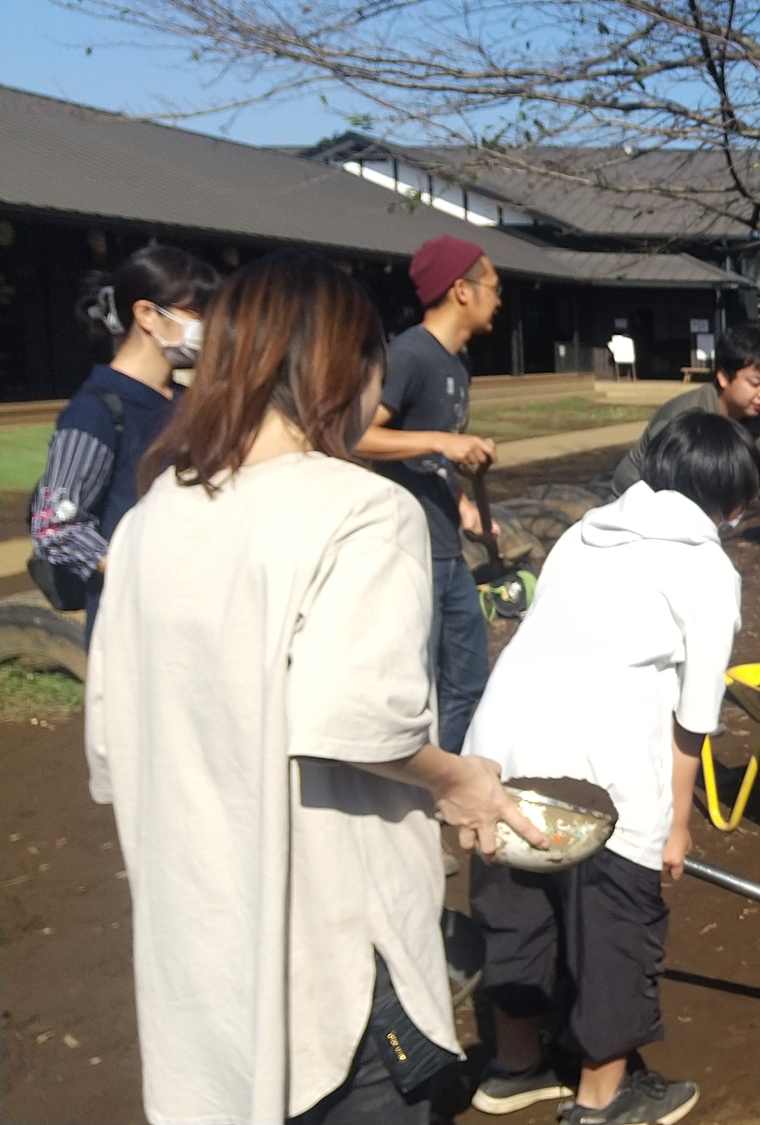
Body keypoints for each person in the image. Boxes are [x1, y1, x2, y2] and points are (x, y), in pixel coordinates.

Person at [85, 250, 542, 1125]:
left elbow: (111, 750)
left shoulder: (149, 521)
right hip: (334, 965)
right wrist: (461, 781)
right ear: (347, 367)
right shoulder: (361, 510)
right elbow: (363, 719)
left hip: (201, 965)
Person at [463, 411, 760, 1125]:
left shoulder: (584, 532)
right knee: (615, 923)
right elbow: (694, 716)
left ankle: (514, 1067)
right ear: (735, 504)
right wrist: (677, 825)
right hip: (603, 763)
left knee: (518, 907)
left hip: (498, 748)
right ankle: (603, 1096)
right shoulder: (706, 567)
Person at [353, 234, 502, 754]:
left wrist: (464, 508)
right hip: (407, 553)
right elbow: (358, 435)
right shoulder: (409, 356)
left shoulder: (457, 365)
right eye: (494, 287)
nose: (499, 299)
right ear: (462, 290)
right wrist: (446, 440)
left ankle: (448, 783)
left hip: (446, 547)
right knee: (416, 683)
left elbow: (432, 463)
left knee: (468, 680)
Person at [28, 245, 219, 638]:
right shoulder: (95, 411)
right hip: (130, 623)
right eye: (199, 314)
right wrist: (136, 567)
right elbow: (55, 528)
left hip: (197, 614)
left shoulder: (187, 402)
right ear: (147, 315)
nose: (212, 328)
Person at [612, 326, 760, 610]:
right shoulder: (685, 418)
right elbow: (657, 494)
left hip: (698, 518)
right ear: (723, 376)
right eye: (756, 382)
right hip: (637, 513)